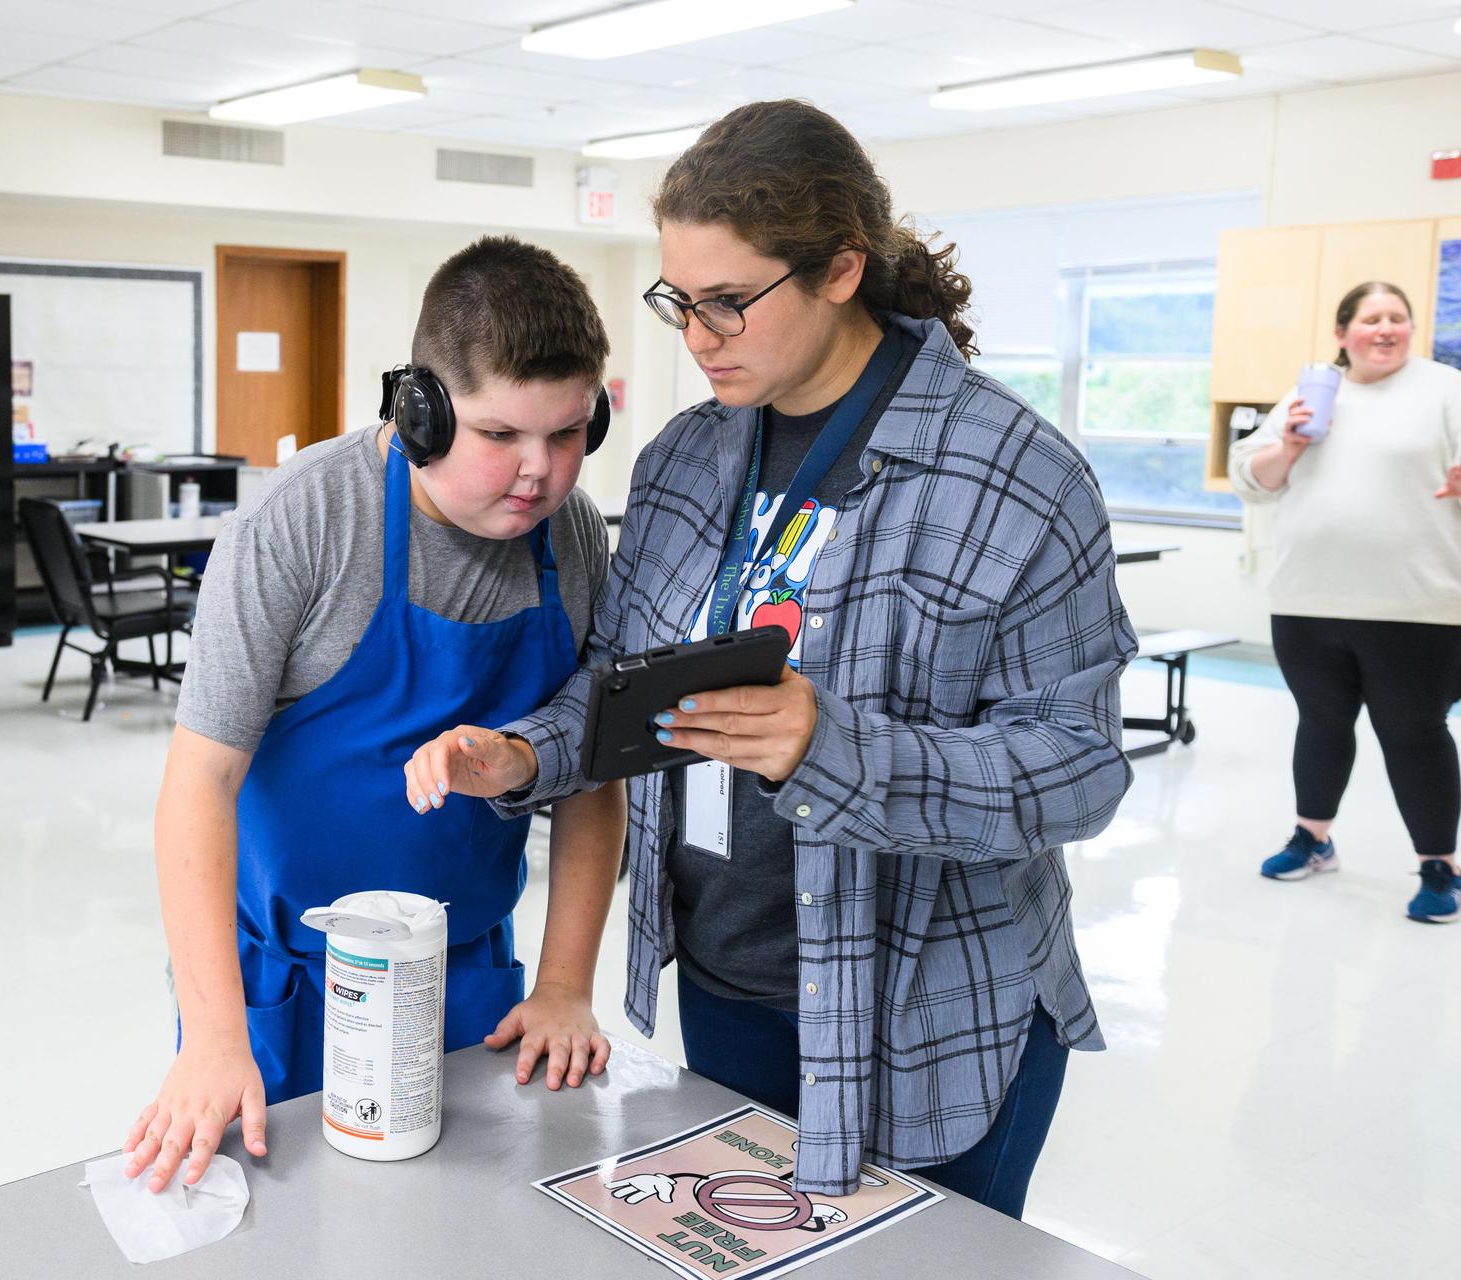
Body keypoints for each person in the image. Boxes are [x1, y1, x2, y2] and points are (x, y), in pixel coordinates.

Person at [404, 100, 1134, 1218]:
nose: (698, 336)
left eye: (730, 302)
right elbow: (617, 682)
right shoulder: (687, 458)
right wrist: (520, 755)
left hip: (930, 1012)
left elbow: (1080, 768)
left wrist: (833, 747)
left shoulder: (1017, 477)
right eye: (679, 302)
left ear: (842, 268)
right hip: (731, 982)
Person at [123, 236, 629, 1193]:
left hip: (462, 974)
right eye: (500, 436)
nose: (540, 474)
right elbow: (200, 781)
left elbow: (591, 773)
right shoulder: (304, 522)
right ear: (422, 410)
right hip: (279, 985)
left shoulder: (570, 540)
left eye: (568, 435)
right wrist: (217, 1036)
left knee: (457, 1229)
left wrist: (564, 983)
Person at [1229, 280, 1461, 924]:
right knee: (1321, 723)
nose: (1385, 329)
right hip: (1308, 601)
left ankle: (1441, 867)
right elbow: (1255, 482)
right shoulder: (1311, 392)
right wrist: (1291, 445)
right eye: (1371, 319)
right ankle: (1313, 838)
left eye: (1398, 318)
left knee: (1414, 734)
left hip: (1417, 605)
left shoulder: (1445, 388)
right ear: (1342, 333)